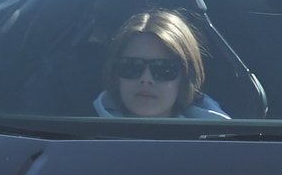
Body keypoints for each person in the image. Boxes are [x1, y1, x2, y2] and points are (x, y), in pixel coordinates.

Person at [95, 9, 231, 120]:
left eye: (163, 68)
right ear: (115, 75)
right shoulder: (80, 138)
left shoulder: (221, 146)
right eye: (132, 66)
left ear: (185, 77)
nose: (146, 79)